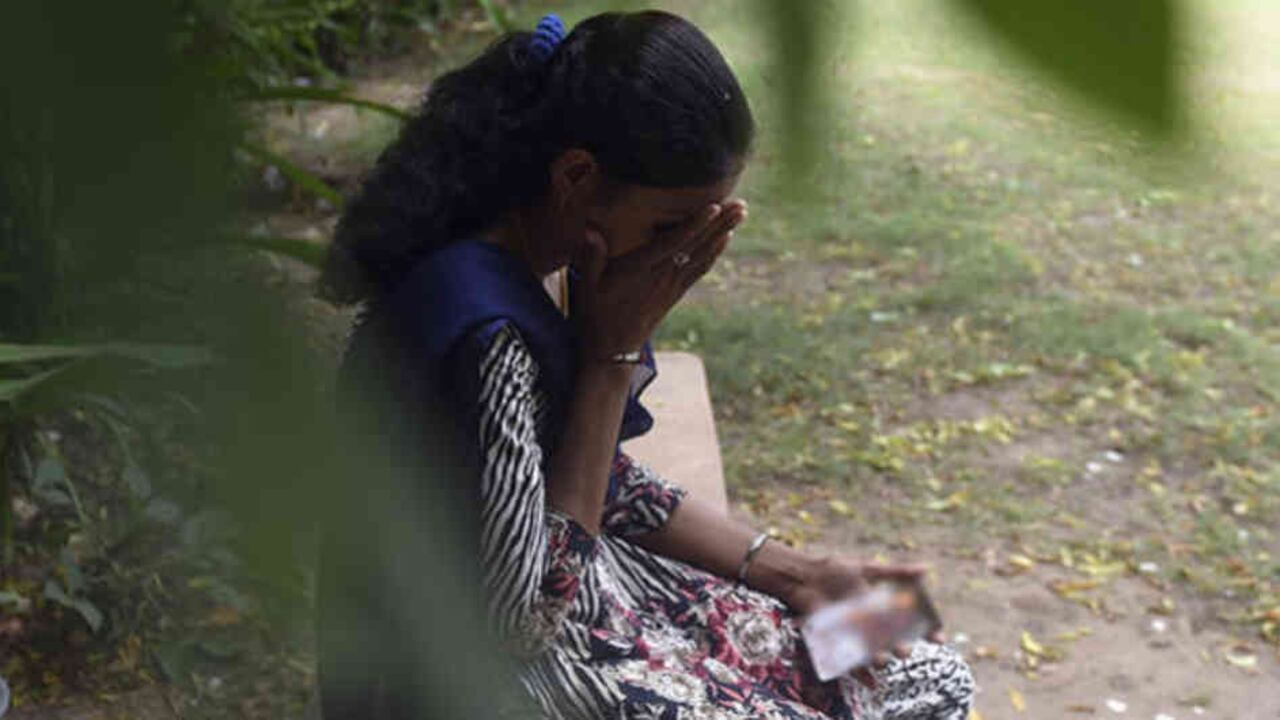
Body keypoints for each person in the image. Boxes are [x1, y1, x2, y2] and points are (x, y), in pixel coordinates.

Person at [318, 10, 975, 719]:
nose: (679, 254)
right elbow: (525, 619)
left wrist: (802, 574)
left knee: (915, 650)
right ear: (576, 176)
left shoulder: (527, 253)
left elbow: (582, 475)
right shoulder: (485, 330)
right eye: (668, 227)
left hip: (591, 607)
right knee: (904, 695)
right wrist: (607, 359)